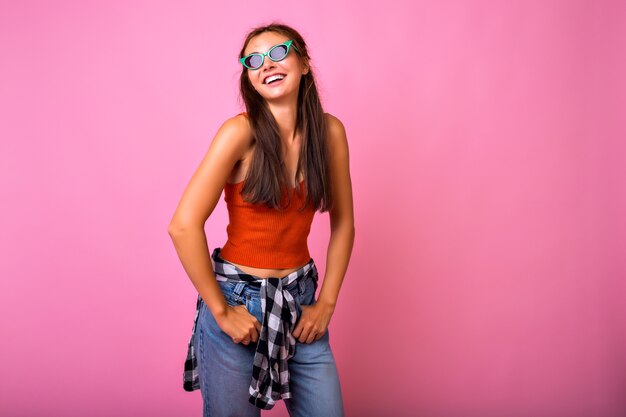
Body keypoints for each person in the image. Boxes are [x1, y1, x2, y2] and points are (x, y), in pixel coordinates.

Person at [168, 22, 354, 417]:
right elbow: (182, 225)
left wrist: (326, 303)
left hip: (299, 302)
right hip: (239, 304)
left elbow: (344, 225)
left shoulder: (330, 132)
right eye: (253, 60)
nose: (265, 64)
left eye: (278, 52)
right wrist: (221, 312)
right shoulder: (239, 133)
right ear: (249, 78)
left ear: (304, 63)